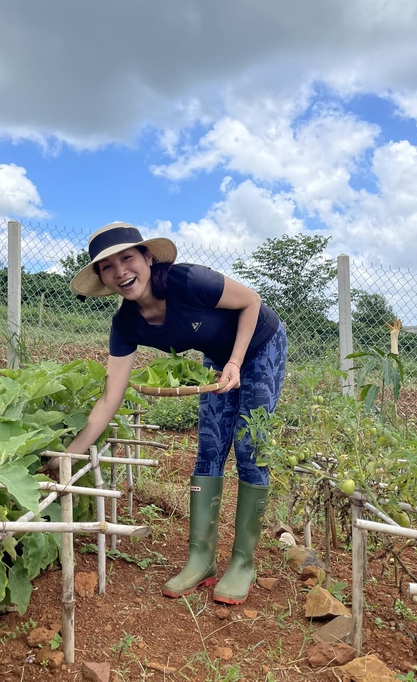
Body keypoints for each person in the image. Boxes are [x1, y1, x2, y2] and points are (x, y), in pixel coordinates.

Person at [63, 222, 287, 605]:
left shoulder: (190, 281)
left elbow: (251, 301)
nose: (120, 271)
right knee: (210, 448)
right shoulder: (126, 323)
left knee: (250, 446)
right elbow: (109, 398)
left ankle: (243, 563)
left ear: (148, 258)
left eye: (128, 258)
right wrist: (70, 453)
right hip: (218, 358)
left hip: (260, 345)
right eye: (108, 266)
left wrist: (235, 362)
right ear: (101, 277)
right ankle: (201, 560)